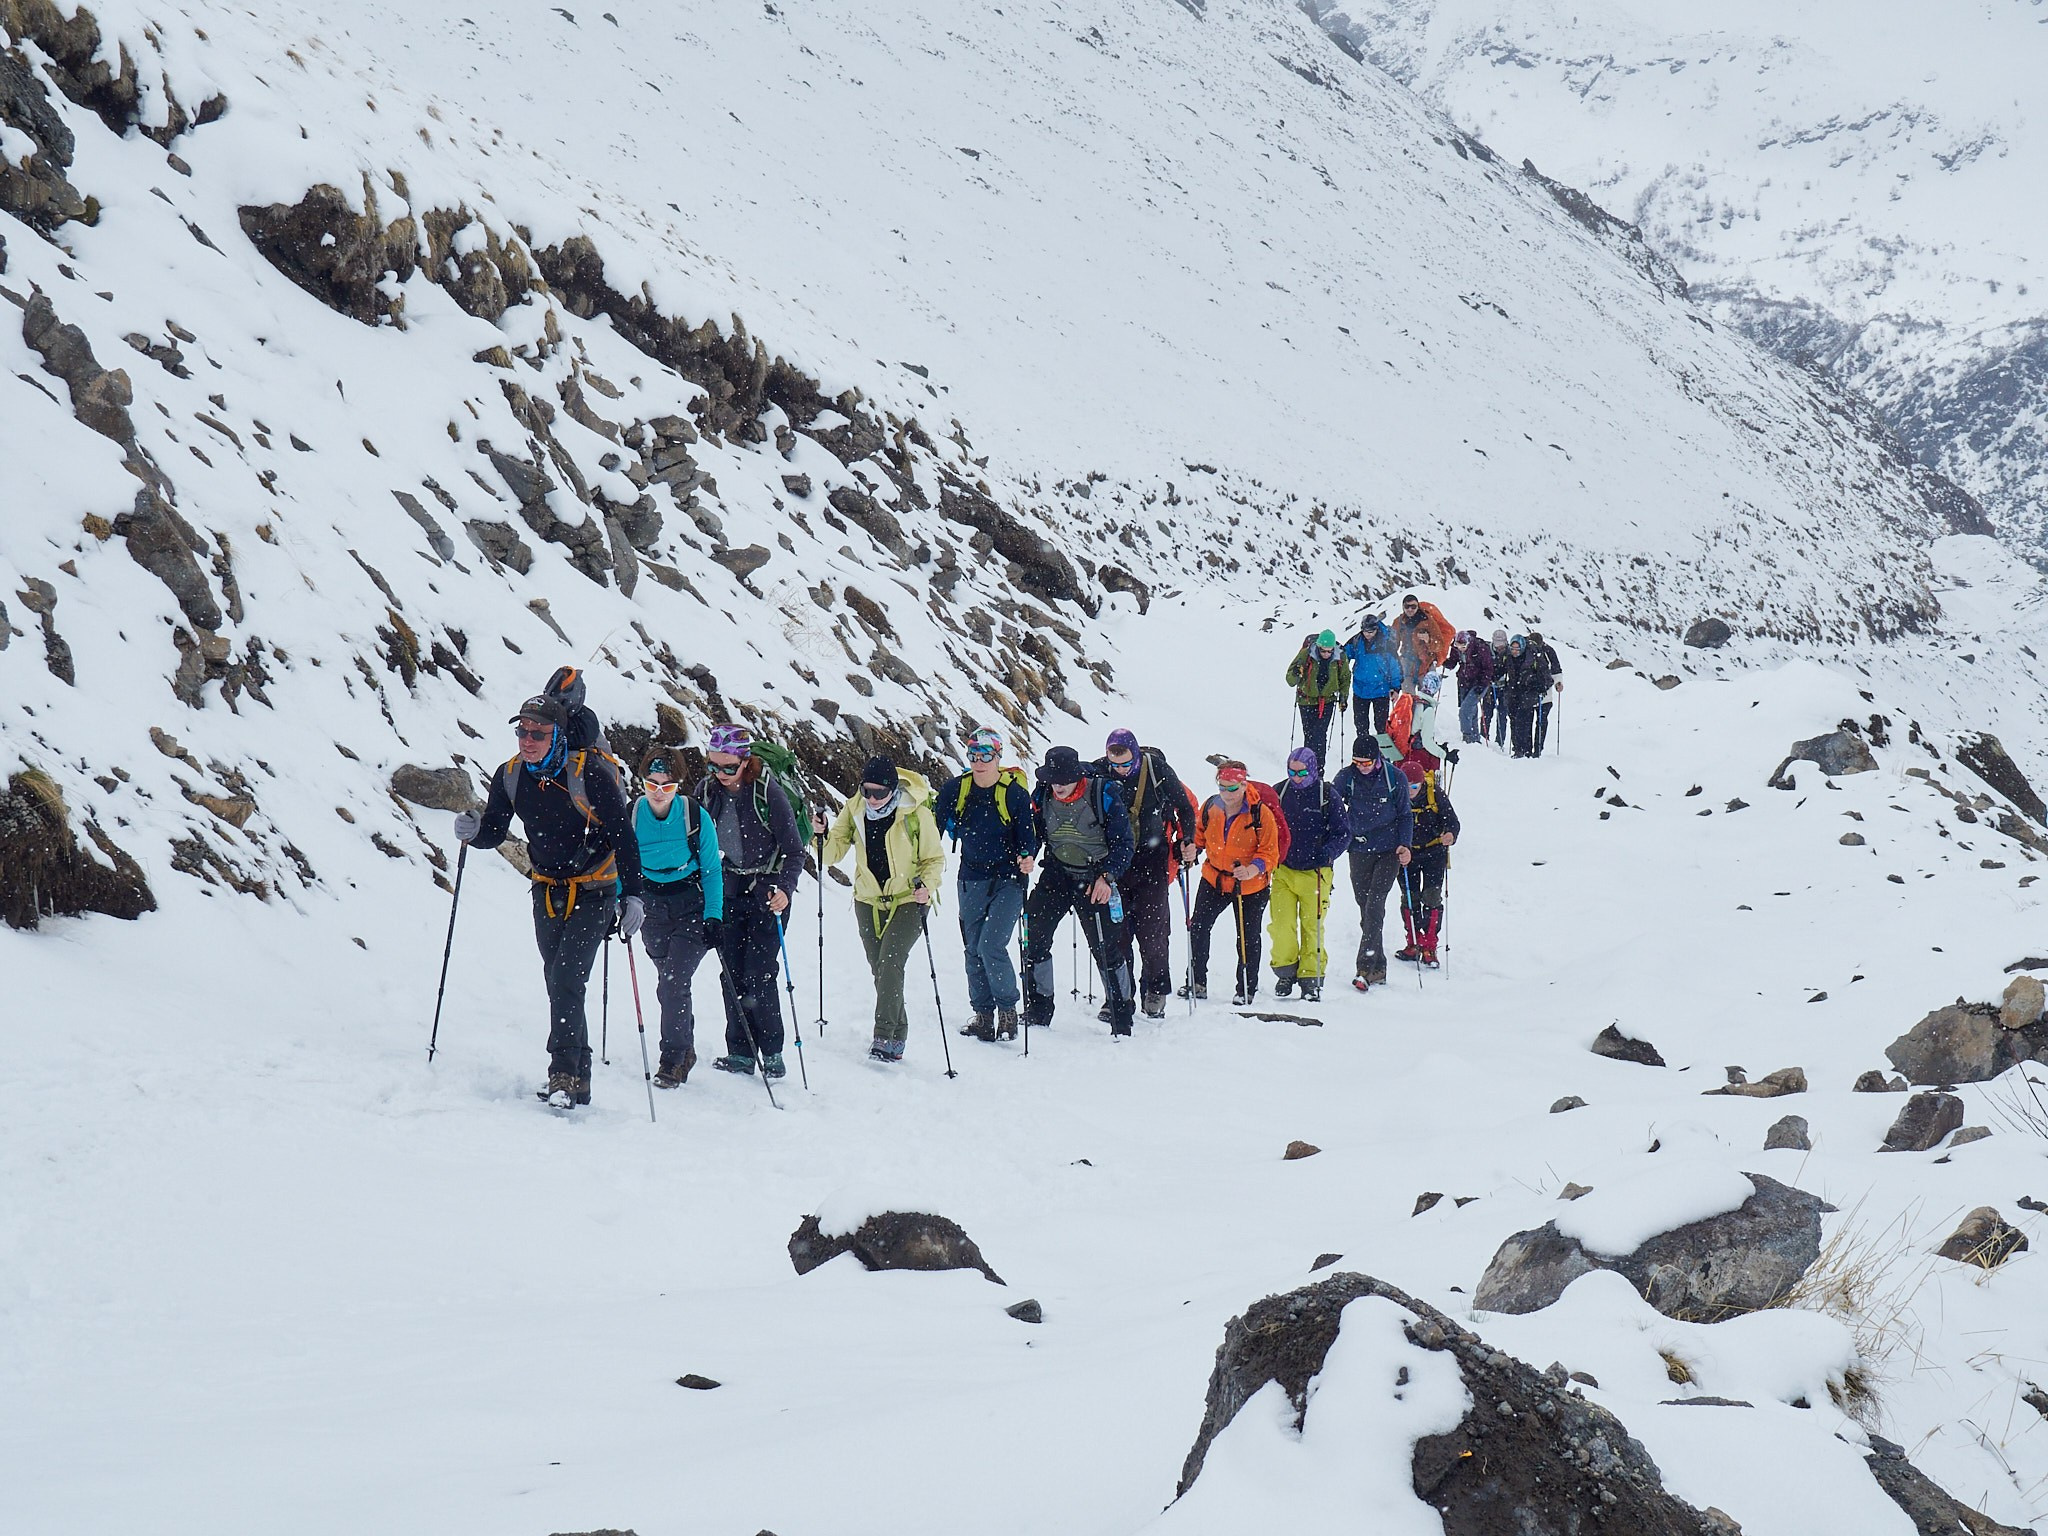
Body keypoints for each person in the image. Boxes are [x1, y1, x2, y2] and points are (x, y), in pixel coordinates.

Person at [458, 692, 644, 1107]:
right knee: (559, 982)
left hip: (596, 890)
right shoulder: (509, 775)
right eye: (522, 731)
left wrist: (634, 896)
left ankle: (561, 1074)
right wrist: (472, 831)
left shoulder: (590, 773)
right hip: (545, 889)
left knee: (566, 979)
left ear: (557, 735)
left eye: (537, 733)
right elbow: (494, 831)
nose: (527, 740)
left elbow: (623, 837)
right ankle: (581, 1079)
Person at [818, 754, 945, 1063]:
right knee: (881, 970)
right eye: (866, 791)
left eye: (879, 792)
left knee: (890, 963)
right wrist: (819, 834)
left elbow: (934, 859)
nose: (872, 799)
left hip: (909, 899)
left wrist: (926, 886)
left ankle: (883, 1036)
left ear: (893, 789)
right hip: (867, 900)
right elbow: (831, 854)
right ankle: (898, 1036)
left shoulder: (915, 813)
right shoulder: (855, 808)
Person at [697, 723, 804, 1078]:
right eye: (714, 765)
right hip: (726, 891)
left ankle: (772, 1052)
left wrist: (785, 889)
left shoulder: (768, 792)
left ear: (745, 762)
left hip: (766, 893)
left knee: (759, 973)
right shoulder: (707, 791)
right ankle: (740, 1052)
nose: (720, 773)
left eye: (728, 767)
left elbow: (794, 850)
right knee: (731, 973)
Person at [1020, 746, 1136, 1036]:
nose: (1057, 785)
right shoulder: (1043, 793)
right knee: (1034, 934)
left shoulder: (1102, 794)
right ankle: (1038, 1008)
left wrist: (1107, 877)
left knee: (1106, 948)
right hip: (1057, 873)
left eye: (1062, 779)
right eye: (1052, 778)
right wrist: (1029, 853)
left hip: (1095, 877)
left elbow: (1124, 843)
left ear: (1076, 776)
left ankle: (1121, 1013)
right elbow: (1034, 832)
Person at [935, 727, 1038, 1043]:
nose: (979, 761)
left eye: (986, 755)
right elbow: (933, 829)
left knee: (990, 945)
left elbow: (1027, 837)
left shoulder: (1014, 794)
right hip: (971, 878)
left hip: (1008, 881)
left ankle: (1007, 1010)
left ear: (998, 756)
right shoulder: (956, 789)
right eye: (973, 755)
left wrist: (1027, 857)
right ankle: (983, 1015)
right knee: (972, 949)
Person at [1093, 727, 1198, 1019]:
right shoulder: (1099, 772)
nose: (1121, 770)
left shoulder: (1157, 771)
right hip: (1114, 865)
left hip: (1152, 862)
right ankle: (1119, 996)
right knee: (1117, 935)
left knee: (1153, 934)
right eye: (1116, 765)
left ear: (1137, 755)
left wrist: (1188, 841)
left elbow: (1186, 809)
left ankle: (1155, 990)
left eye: (1127, 764)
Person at [634, 754, 722, 1087]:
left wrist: (714, 915)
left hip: (691, 906)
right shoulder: (633, 816)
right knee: (669, 982)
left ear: (678, 786)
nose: (658, 792)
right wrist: (618, 902)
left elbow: (712, 869)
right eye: (652, 785)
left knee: (672, 981)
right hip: (651, 907)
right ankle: (685, 1047)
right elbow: (621, 863)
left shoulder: (694, 816)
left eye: (667, 785)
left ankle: (671, 1059)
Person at [1184, 760, 1282, 1005]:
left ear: (1243, 784)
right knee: (1198, 928)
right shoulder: (1211, 806)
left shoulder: (1260, 812)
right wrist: (1192, 849)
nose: (1227, 794)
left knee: (1248, 937)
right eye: (1222, 787)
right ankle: (1196, 981)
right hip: (1214, 878)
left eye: (1232, 788)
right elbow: (1199, 835)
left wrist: (1253, 869)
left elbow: (1271, 852)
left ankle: (1246, 989)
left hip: (1250, 886)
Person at [1267, 747, 1350, 1002]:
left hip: (1315, 873)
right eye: (1291, 771)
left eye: (1301, 772)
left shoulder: (1327, 796)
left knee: (1312, 927)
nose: (1296, 777)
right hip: (1283, 870)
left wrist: (1326, 854)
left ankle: (1311, 978)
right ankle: (1285, 972)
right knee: (1281, 926)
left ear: (1312, 769)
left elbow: (1343, 833)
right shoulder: (1279, 792)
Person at [1332, 734, 1412, 989]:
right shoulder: (1347, 777)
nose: (1362, 767)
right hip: (1359, 848)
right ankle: (1379, 968)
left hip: (1389, 851)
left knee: (1375, 904)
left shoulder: (1394, 777)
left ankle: (1365, 969)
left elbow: (1405, 814)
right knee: (1365, 907)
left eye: (1366, 763)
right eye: (1357, 762)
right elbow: (1333, 807)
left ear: (1377, 759)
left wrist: (1405, 844)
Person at [1397, 762, 1460, 967]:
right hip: (1408, 854)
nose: (1410, 792)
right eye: (1406, 787)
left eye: (1414, 787)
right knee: (1410, 898)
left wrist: (1450, 835)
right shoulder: (1397, 797)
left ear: (1422, 784)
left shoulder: (1436, 795)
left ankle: (1430, 945)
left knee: (1431, 897)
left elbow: (1452, 821)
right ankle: (1413, 942)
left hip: (1434, 852)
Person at [1285, 630, 1352, 766]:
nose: (1326, 654)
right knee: (1309, 735)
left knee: (1320, 734)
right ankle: (1309, 766)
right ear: (1318, 647)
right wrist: (1297, 672)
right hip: (1307, 701)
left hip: (1327, 701)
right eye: (1323, 651)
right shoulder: (1306, 654)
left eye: (1329, 651)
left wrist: (1344, 697)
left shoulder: (1340, 657)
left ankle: (1319, 768)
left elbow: (1345, 678)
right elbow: (1290, 680)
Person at [1343, 614, 1402, 734]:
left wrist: (1396, 688)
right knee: (1361, 725)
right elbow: (1343, 656)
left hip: (1381, 690)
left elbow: (1395, 667)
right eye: (1365, 631)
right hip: (1360, 689)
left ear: (1376, 629)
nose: (1368, 634)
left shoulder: (1386, 644)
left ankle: (1381, 750)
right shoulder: (1356, 641)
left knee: (1381, 726)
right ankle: (1363, 750)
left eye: (1371, 631)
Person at [1501, 635, 1553, 758]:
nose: (1514, 652)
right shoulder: (1507, 657)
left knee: (1523, 721)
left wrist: (1539, 686)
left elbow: (1546, 678)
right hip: (1513, 691)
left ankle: (1525, 750)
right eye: (1513, 649)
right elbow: (1500, 668)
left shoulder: (1534, 657)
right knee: (1514, 720)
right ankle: (1519, 749)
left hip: (1529, 692)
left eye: (1517, 649)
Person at [1391, 592, 1456, 691]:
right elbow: (1393, 644)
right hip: (1407, 664)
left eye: (1413, 607)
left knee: (1425, 700)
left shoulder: (1428, 621)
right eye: (1407, 606)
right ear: (1403, 607)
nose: (1410, 609)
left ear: (1418, 607)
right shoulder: (1398, 622)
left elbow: (1439, 645)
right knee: (1408, 700)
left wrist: (1428, 640)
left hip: (1426, 664)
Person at [1528, 630, 1565, 757]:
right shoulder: (1528, 650)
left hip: (1544, 693)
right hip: (1531, 693)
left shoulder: (1548, 651)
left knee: (1539, 721)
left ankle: (1537, 749)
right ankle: (1532, 749)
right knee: (1537, 721)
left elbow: (1556, 669)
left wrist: (1558, 682)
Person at [1453, 630, 1493, 744]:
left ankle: (1468, 736)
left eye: (1463, 646)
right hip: (1464, 682)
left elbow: (1488, 668)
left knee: (1464, 711)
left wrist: (1482, 684)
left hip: (1478, 684)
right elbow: (1452, 662)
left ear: (1468, 642)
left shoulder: (1480, 649)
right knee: (1472, 710)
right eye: (1457, 645)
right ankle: (1475, 738)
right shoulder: (1456, 648)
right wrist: (1443, 662)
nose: (1460, 648)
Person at [1481, 629, 1510, 748]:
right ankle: (1483, 739)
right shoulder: (1487, 650)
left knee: (1502, 715)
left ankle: (1500, 742)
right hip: (1489, 687)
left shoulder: (1509, 652)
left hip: (1505, 687)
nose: (1499, 648)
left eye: (1502, 645)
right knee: (1486, 714)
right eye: (1497, 645)